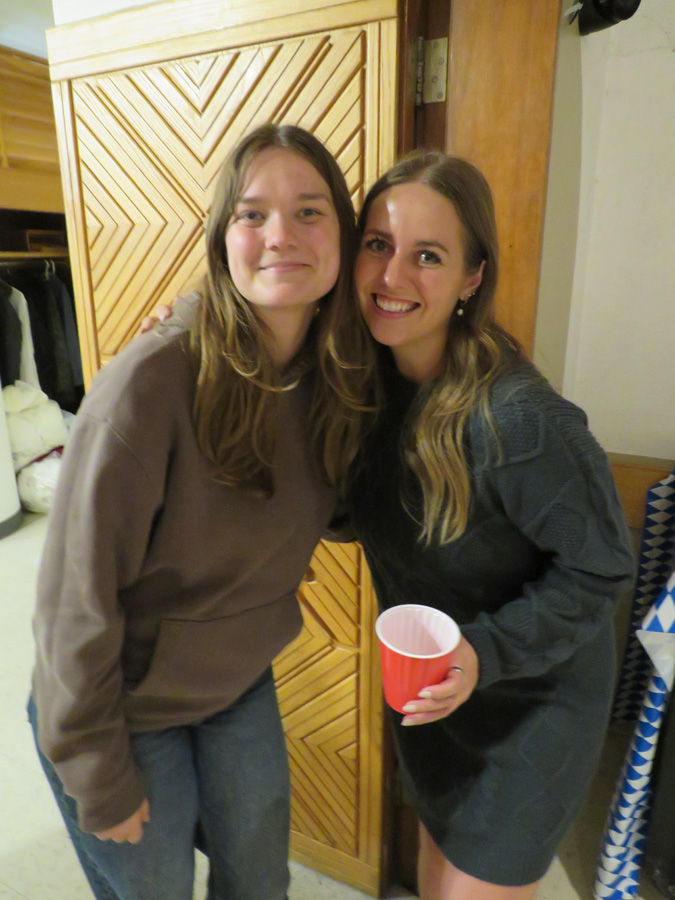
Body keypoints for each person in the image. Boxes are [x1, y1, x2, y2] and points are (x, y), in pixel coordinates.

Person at [29, 123, 375, 900]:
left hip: (236, 679)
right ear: (222, 240)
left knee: (260, 882)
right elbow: (71, 601)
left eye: (309, 211)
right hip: (121, 701)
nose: (279, 234)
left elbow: (345, 510)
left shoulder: (338, 378)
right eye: (252, 214)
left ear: (344, 238)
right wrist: (95, 770)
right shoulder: (150, 382)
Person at [346, 151, 636, 899]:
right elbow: (353, 514)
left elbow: (602, 566)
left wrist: (484, 652)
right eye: (377, 244)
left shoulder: (519, 420)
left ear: (472, 279)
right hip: (436, 690)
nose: (391, 275)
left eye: (428, 256)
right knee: (435, 867)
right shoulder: (364, 389)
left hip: (531, 704)